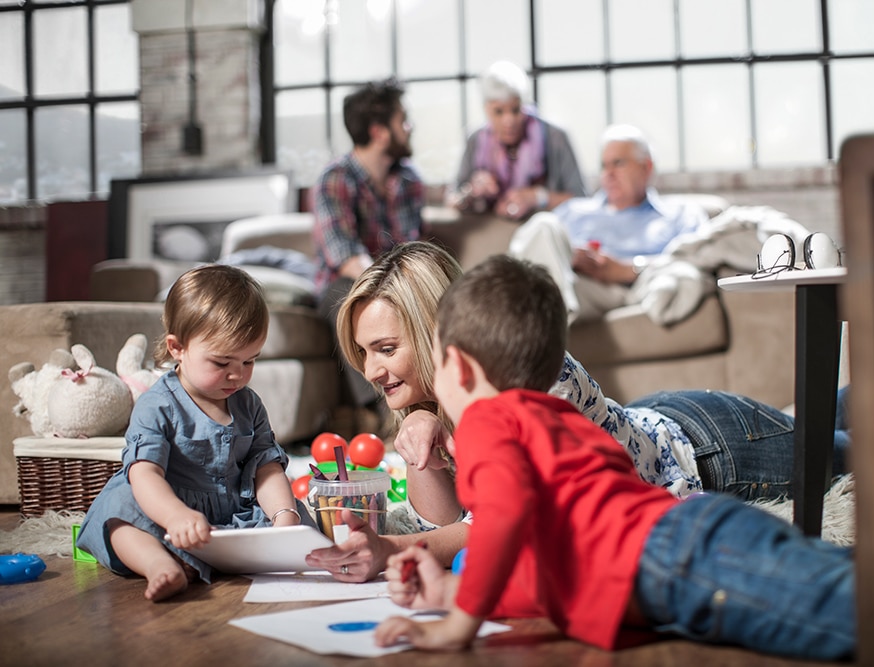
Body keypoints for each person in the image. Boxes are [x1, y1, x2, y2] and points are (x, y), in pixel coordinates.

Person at [373, 255, 874, 663]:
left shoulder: (487, 420)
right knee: (864, 597)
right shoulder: (551, 419)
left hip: (688, 552)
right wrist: (454, 584)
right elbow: (549, 561)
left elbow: (506, 521)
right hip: (693, 540)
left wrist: (460, 620)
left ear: (454, 364)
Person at [304, 240, 850, 581]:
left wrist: (391, 547)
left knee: (852, 443)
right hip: (640, 419)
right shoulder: (442, 393)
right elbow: (442, 524)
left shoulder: (531, 376)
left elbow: (504, 519)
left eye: (385, 349)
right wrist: (421, 436)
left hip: (705, 444)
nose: (372, 372)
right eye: (364, 353)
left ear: (431, 335)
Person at [77, 264, 314, 602]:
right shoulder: (157, 404)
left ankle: (223, 557)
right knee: (117, 507)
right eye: (222, 363)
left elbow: (266, 467)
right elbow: (145, 474)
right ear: (177, 348)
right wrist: (175, 515)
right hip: (170, 512)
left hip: (232, 514)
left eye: (249, 362)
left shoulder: (249, 405)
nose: (238, 376)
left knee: (295, 509)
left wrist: (283, 516)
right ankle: (160, 564)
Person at [509, 123, 707, 323]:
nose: (608, 173)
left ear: (646, 167)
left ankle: (545, 338)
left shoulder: (679, 214)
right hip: (575, 288)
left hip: (632, 291)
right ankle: (548, 333)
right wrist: (566, 256)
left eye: (618, 163)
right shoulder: (573, 211)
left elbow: (700, 258)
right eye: (604, 165)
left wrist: (627, 269)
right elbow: (527, 253)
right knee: (543, 226)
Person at [313, 76, 424, 411]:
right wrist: (387, 286)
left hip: (399, 278)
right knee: (348, 297)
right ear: (379, 132)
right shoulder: (335, 179)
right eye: (402, 120)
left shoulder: (408, 180)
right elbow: (344, 255)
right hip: (349, 281)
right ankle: (382, 413)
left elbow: (412, 248)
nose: (409, 127)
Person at [449, 60, 586, 221]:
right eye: (498, 112)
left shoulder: (555, 136)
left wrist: (538, 197)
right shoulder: (476, 139)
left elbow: (581, 201)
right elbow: (452, 200)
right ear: (486, 109)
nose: (509, 120)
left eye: (515, 110)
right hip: (495, 233)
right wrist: (472, 191)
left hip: (544, 231)